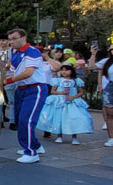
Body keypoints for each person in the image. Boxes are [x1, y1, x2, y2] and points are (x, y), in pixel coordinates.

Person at [5, 27, 51, 163]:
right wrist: (3, 81)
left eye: (14, 38)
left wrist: (8, 81)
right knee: (20, 120)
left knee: (27, 120)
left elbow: (28, 72)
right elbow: (14, 73)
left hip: (34, 89)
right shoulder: (15, 54)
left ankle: (31, 152)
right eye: (10, 39)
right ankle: (34, 145)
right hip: (21, 89)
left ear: (24, 38)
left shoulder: (32, 52)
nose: (11, 42)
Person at [38, 63, 93, 145]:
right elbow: (52, 91)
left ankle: (74, 137)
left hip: (72, 102)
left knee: (74, 118)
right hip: (60, 101)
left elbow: (81, 92)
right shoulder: (58, 80)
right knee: (59, 118)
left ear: (71, 71)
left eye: (66, 70)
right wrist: (61, 92)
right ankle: (59, 136)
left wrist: (73, 97)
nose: (64, 72)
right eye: (62, 70)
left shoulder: (76, 81)